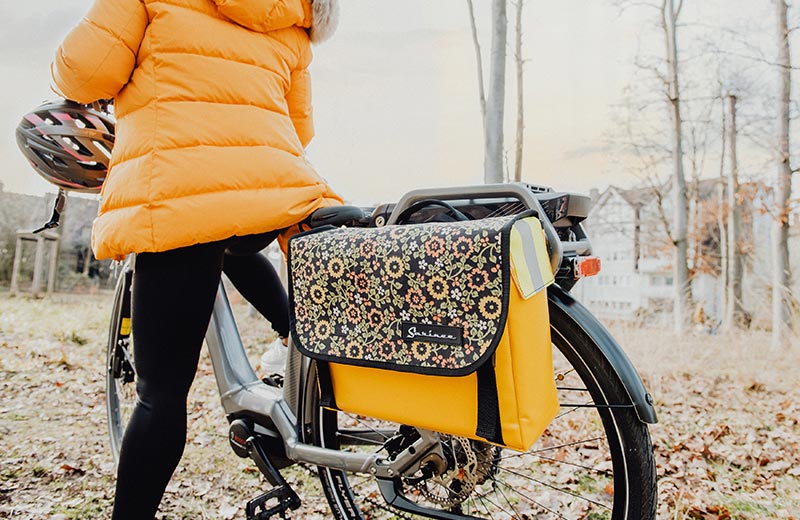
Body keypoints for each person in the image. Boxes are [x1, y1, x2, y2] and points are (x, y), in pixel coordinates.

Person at [50, 0, 342, 518]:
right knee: (228, 226)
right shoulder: (293, 15)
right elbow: (299, 129)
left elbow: (85, 69)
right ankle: (290, 329)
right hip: (273, 192)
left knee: (160, 395)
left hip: (178, 186)